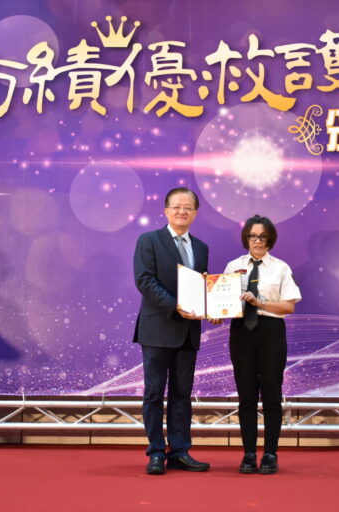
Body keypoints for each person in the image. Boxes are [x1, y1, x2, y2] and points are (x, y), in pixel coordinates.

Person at [133, 187, 211, 475]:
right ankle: (156, 452)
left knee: (182, 395)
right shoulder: (149, 240)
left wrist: (211, 305)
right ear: (166, 211)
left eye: (188, 207)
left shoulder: (201, 247)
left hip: (188, 332)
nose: (182, 211)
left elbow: (200, 287)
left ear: (195, 213)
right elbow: (144, 280)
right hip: (157, 329)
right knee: (154, 394)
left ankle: (180, 451)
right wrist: (176, 306)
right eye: (177, 206)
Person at [223, 214, 301, 474]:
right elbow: (222, 301)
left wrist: (260, 303)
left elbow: (288, 306)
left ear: (270, 239)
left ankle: (270, 454)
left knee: (271, 395)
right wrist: (214, 311)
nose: (257, 241)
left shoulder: (281, 268)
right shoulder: (233, 266)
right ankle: (248, 454)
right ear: (246, 238)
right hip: (241, 332)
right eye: (253, 236)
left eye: (262, 237)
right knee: (246, 396)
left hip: (270, 332)